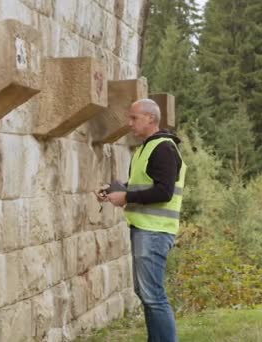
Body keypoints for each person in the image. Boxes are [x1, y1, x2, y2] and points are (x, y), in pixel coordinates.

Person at [96, 99, 186, 342]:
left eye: (134, 118)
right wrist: (116, 189)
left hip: (154, 231)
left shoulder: (163, 149)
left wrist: (126, 197)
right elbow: (142, 185)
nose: (129, 123)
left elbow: (164, 191)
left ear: (151, 119)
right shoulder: (147, 148)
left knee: (153, 295)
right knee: (145, 293)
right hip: (144, 229)